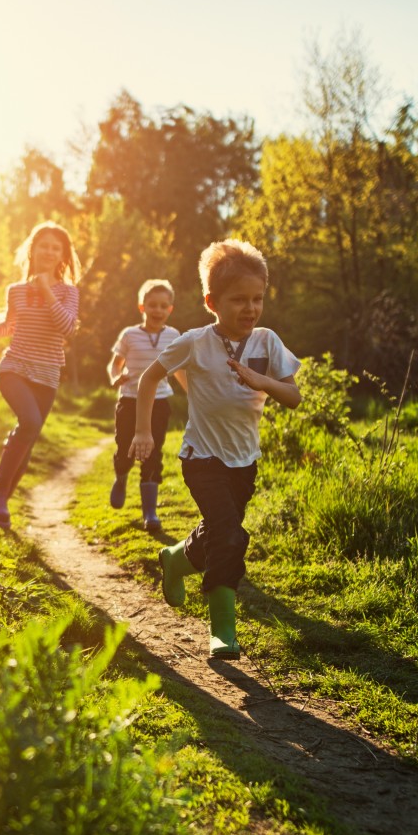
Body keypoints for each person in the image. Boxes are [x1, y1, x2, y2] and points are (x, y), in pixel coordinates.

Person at [127, 240, 301, 659]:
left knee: (219, 534)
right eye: (238, 299)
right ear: (211, 301)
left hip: (245, 461)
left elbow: (293, 396)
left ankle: (176, 559)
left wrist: (264, 383)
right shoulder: (195, 342)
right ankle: (223, 630)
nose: (250, 308)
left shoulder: (267, 341)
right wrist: (143, 432)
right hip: (202, 457)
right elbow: (149, 379)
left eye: (257, 298)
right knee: (229, 535)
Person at [0, 221, 82, 531]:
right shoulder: (16, 291)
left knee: (27, 440)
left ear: (62, 256)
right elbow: (10, 326)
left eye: (55, 247)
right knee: (30, 423)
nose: (48, 251)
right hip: (14, 367)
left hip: (47, 374)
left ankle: (1, 502)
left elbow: (67, 328)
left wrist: (47, 291)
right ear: (32, 249)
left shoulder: (68, 292)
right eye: (43, 245)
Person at [106, 278, 182, 532]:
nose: (158, 310)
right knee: (126, 447)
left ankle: (150, 512)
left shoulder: (174, 336)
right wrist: (115, 378)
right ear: (142, 307)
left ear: (170, 309)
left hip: (159, 402)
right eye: (152, 305)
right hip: (129, 399)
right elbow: (115, 364)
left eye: (163, 306)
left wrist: (196, 393)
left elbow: (181, 368)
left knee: (153, 452)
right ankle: (121, 475)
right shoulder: (129, 335)